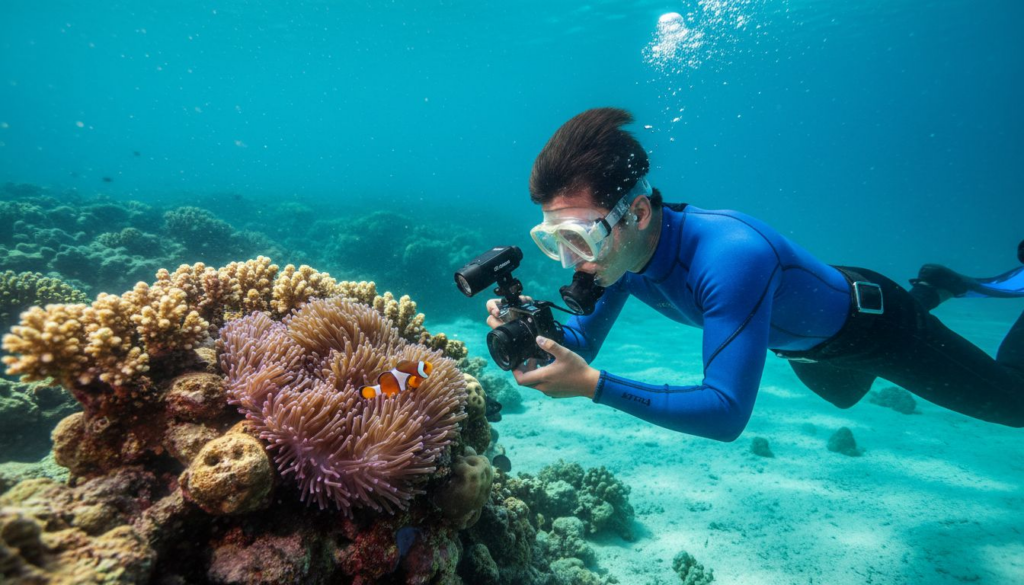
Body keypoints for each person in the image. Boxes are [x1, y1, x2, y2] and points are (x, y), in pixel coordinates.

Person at [486, 108, 1024, 441]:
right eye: (553, 239)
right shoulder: (619, 254)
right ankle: (935, 285)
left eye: (579, 236)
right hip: (804, 345)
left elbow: (724, 414)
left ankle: (929, 297)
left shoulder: (732, 257)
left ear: (639, 212)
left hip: (877, 329)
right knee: (844, 393)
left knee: (1016, 405)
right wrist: (535, 334)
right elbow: (579, 341)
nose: (569, 259)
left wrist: (592, 388)